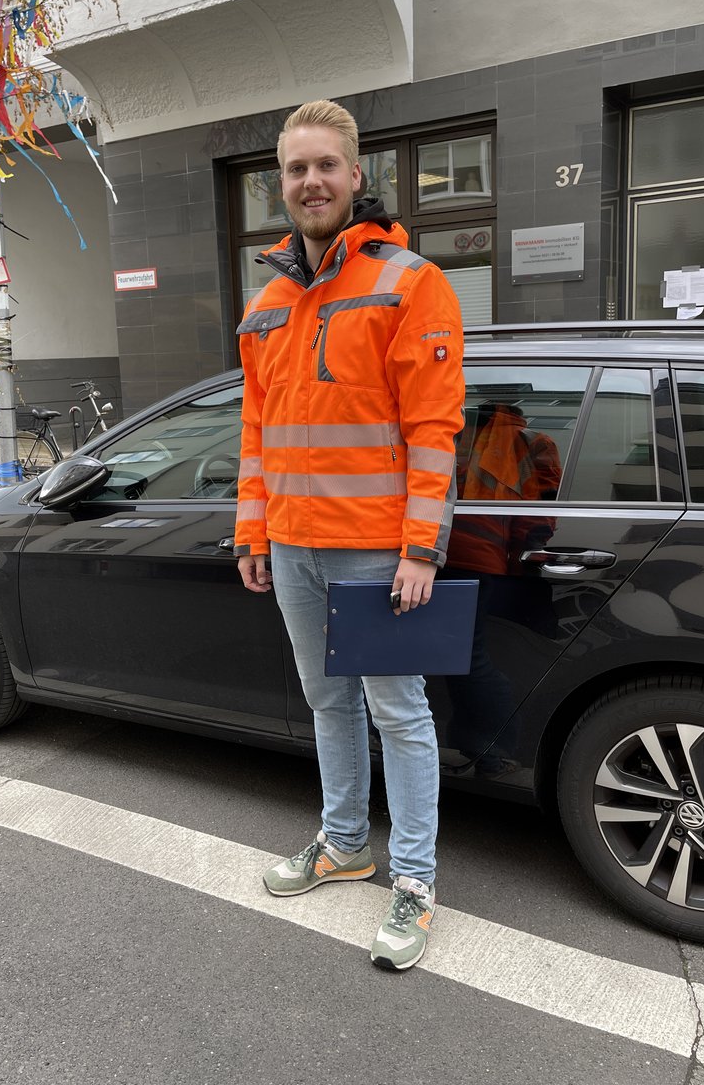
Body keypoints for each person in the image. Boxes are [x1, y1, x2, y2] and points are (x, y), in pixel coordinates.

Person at [234, 99, 465, 971]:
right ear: (280, 183)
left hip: (374, 548)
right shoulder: (267, 302)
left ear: (355, 176)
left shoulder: (409, 281)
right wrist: (253, 534)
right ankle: (343, 845)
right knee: (327, 703)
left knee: (398, 712)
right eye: (296, 169)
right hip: (292, 546)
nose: (311, 181)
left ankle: (413, 880)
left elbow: (435, 429)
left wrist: (419, 546)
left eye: (326, 165)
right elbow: (256, 435)